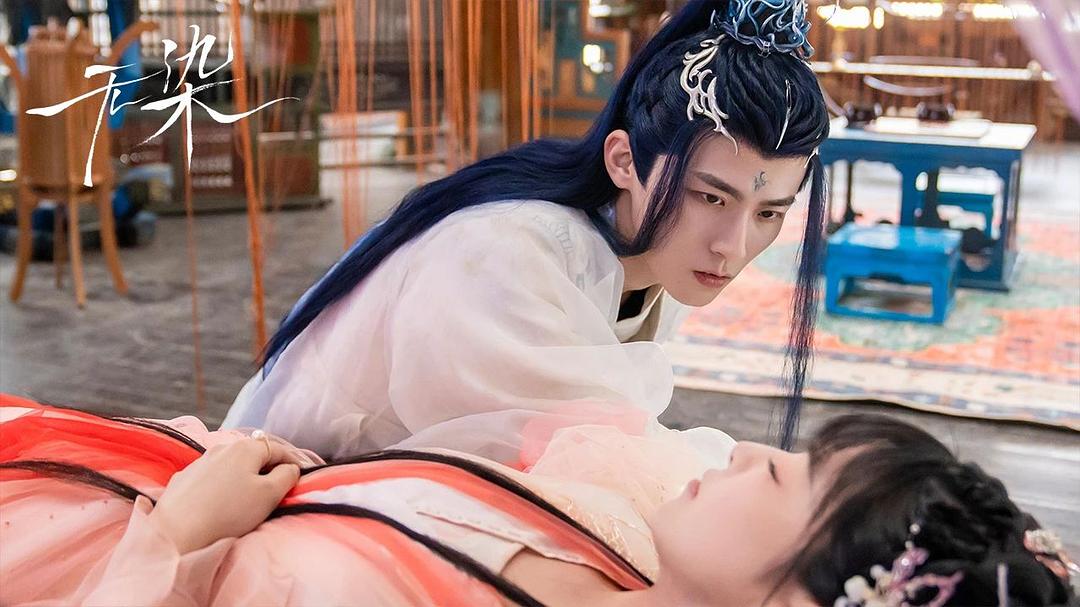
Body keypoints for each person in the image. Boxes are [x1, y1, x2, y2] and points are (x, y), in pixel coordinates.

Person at [221, 0, 831, 462]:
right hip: (290, 483)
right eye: (709, 197)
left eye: (769, 213)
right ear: (624, 161)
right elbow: (575, 454)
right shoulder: (500, 254)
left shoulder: (658, 257)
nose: (732, 246)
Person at [1, 394, 1075, 606]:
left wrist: (183, 533)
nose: (749, 450)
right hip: (87, 476)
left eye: (786, 475)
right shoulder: (624, 534)